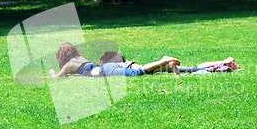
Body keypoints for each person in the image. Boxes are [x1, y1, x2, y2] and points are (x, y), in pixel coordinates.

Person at [49, 43, 181, 78]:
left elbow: (57, 77)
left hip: (106, 70)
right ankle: (168, 67)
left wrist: (51, 72)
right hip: (107, 68)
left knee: (138, 73)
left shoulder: (69, 64)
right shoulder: (82, 59)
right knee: (142, 71)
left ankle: (163, 61)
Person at [99, 51, 240, 75]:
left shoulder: (121, 65)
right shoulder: (124, 64)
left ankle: (225, 62)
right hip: (151, 68)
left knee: (191, 69)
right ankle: (225, 62)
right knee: (192, 69)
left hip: (149, 68)